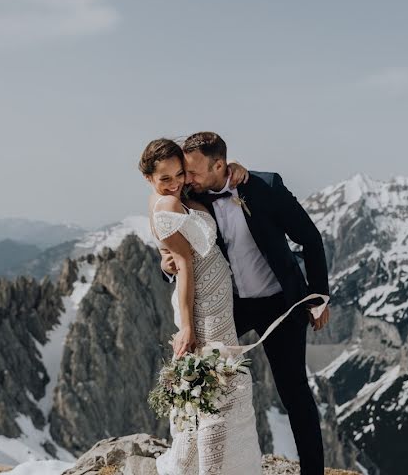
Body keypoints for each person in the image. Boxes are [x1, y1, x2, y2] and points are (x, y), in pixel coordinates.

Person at [161, 131, 331, 475]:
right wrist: (167, 267)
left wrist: (319, 297)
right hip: (230, 308)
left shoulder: (266, 187)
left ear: (220, 165)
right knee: (200, 376)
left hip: (281, 305)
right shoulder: (195, 196)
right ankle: (201, 461)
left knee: (295, 392)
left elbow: (310, 238)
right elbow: (173, 237)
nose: (187, 181)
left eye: (192, 172)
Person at [141, 138, 262, 474]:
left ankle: (211, 462)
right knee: (218, 385)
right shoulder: (165, 206)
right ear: (149, 178)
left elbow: (212, 177)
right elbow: (183, 266)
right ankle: (211, 466)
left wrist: (234, 168)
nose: (176, 182)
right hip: (203, 303)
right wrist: (187, 327)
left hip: (218, 299)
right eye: (165, 178)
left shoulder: (181, 198)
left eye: (180, 173)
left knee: (218, 383)